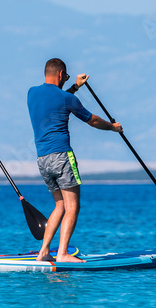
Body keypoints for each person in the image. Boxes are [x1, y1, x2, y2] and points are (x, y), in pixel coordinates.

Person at [27, 58, 122, 262]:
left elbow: (57, 99)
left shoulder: (32, 93)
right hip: (62, 156)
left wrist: (75, 87)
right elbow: (93, 120)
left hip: (42, 159)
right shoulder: (65, 98)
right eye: (66, 77)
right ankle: (62, 254)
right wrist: (113, 127)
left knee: (59, 205)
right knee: (72, 206)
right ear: (61, 74)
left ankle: (44, 252)